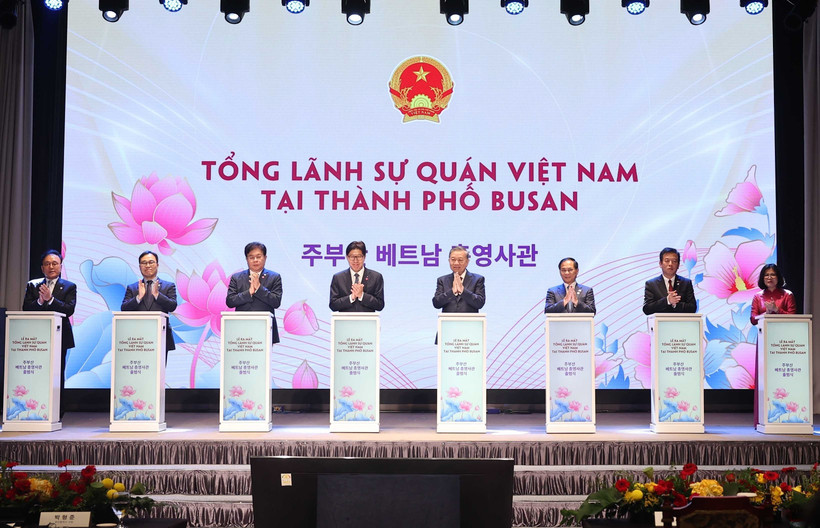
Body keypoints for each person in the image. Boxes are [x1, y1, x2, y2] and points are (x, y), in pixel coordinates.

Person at [22, 249, 76, 418]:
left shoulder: (69, 286)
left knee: (57, 373)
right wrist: (40, 300)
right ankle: (36, 408)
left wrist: (51, 299)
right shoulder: (33, 285)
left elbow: (69, 310)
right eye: (47, 264)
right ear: (42, 267)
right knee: (37, 372)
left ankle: (57, 410)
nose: (51, 267)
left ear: (60, 266)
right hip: (37, 338)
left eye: (54, 263)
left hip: (60, 337)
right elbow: (26, 308)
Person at [121, 250, 178, 355]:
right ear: (139, 266)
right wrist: (138, 297)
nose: (147, 265)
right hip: (137, 339)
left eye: (151, 262)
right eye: (144, 263)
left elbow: (172, 306)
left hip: (161, 336)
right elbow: (124, 308)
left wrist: (157, 295)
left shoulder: (168, 286)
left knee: (158, 370)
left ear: (157, 265)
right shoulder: (133, 287)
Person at [226, 242, 283, 343]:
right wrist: (249, 292)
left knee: (263, 359)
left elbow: (276, 302)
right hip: (241, 331)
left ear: (265, 258)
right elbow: (230, 301)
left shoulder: (275, 277)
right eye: (251, 257)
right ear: (247, 259)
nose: (255, 260)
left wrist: (259, 288)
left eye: (258, 256)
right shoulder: (237, 278)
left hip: (265, 330)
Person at [329, 241, 385, 312]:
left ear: (364, 257)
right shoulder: (338, 278)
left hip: (367, 322)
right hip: (345, 322)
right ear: (347, 257)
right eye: (352, 257)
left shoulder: (376, 277)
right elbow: (333, 305)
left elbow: (380, 305)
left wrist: (362, 295)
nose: (355, 260)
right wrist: (351, 297)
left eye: (359, 256)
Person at [642, 247, 697, 315]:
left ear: (678, 265)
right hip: (660, 324)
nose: (670, 264)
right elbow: (647, 309)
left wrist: (676, 304)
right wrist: (667, 301)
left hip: (681, 324)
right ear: (660, 264)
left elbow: (693, 308)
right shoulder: (651, 284)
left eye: (674, 261)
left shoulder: (686, 283)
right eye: (667, 261)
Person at [432, 246, 485, 313]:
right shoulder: (442, 280)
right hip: (448, 322)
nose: (456, 263)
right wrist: (451, 292)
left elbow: (480, 303)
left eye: (460, 260)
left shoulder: (477, 279)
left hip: (470, 322)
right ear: (449, 261)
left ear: (467, 262)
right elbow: (436, 303)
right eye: (453, 260)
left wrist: (463, 291)